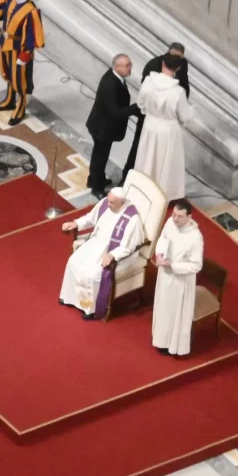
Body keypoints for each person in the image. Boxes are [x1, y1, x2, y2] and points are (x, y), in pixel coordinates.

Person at [57, 188, 147, 318]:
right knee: (73, 262)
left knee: (93, 275)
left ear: (122, 202)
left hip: (110, 251)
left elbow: (130, 247)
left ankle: (89, 308)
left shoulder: (132, 219)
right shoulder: (106, 203)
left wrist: (112, 255)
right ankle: (69, 298)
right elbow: (90, 218)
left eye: (112, 203)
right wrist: (75, 223)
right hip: (95, 243)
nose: (108, 204)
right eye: (108, 200)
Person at [148, 199, 207, 354]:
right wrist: (159, 253)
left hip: (179, 281)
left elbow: (196, 265)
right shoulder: (170, 223)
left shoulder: (195, 238)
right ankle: (160, 338)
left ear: (189, 217)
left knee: (174, 313)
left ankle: (172, 346)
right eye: (173, 214)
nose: (175, 219)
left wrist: (172, 265)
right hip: (165, 275)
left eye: (179, 216)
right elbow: (163, 238)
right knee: (163, 308)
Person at [130, 53, 190, 194]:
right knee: (166, 163)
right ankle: (164, 194)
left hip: (150, 125)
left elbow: (141, 104)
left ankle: (142, 190)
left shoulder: (148, 81)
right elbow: (185, 116)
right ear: (178, 68)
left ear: (163, 63)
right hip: (168, 130)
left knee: (147, 159)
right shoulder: (178, 92)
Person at [86, 54, 135, 189]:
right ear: (117, 66)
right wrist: (134, 109)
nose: (130, 68)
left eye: (130, 64)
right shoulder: (110, 84)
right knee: (99, 158)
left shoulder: (116, 78)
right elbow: (115, 111)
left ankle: (97, 179)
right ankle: (96, 186)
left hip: (105, 126)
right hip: (102, 127)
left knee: (100, 156)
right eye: (127, 66)